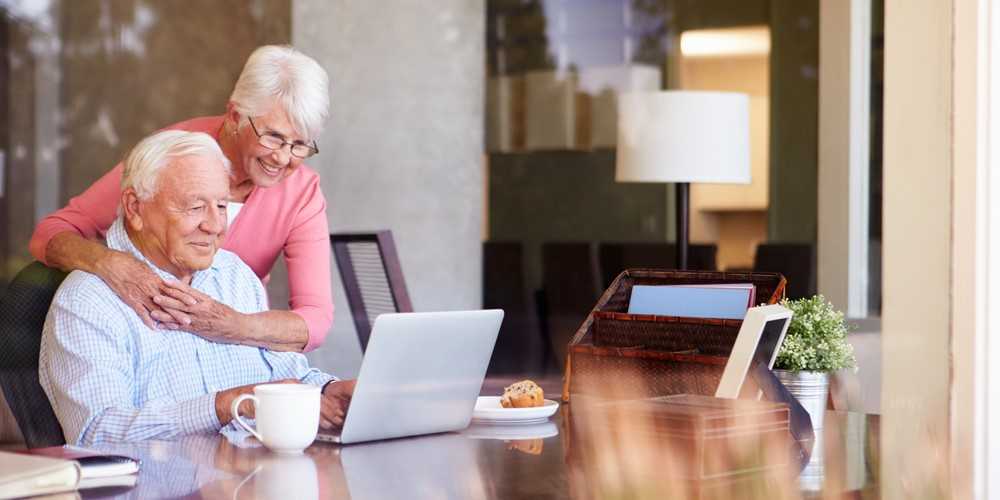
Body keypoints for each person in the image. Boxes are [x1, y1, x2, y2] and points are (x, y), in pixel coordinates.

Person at [39, 131, 355, 446]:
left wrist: (327, 391)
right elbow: (97, 432)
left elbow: (282, 372)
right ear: (135, 208)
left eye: (221, 206)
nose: (214, 226)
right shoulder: (88, 299)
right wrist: (223, 406)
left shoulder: (235, 275)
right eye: (194, 208)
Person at [30, 45, 332, 353]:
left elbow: (315, 319)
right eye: (274, 137)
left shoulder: (302, 192)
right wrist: (110, 264)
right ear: (235, 115)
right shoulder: (172, 156)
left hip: (229, 352)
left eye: (300, 144)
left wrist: (231, 325)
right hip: (145, 342)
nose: (283, 158)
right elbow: (51, 233)